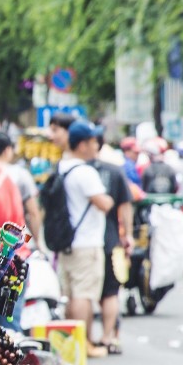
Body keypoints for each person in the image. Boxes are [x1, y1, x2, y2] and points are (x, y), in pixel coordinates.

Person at [54, 120, 114, 346]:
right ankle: (82, 343)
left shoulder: (63, 167)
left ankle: (74, 342)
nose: (96, 145)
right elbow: (103, 203)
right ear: (81, 145)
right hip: (86, 243)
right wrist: (109, 198)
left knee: (72, 294)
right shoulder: (85, 171)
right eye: (92, 141)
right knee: (83, 295)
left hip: (67, 242)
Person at [94, 142, 136, 355]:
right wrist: (127, 234)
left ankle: (82, 340)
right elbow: (126, 205)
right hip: (110, 240)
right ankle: (108, 337)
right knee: (110, 293)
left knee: (81, 294)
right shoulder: (114, 171)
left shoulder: (72, 169)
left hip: (81, 244)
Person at [0, 132, 40, 233]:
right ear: (7, 150)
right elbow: (33, 212)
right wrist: (37, 242)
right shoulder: (19, 173)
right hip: (13, 237)